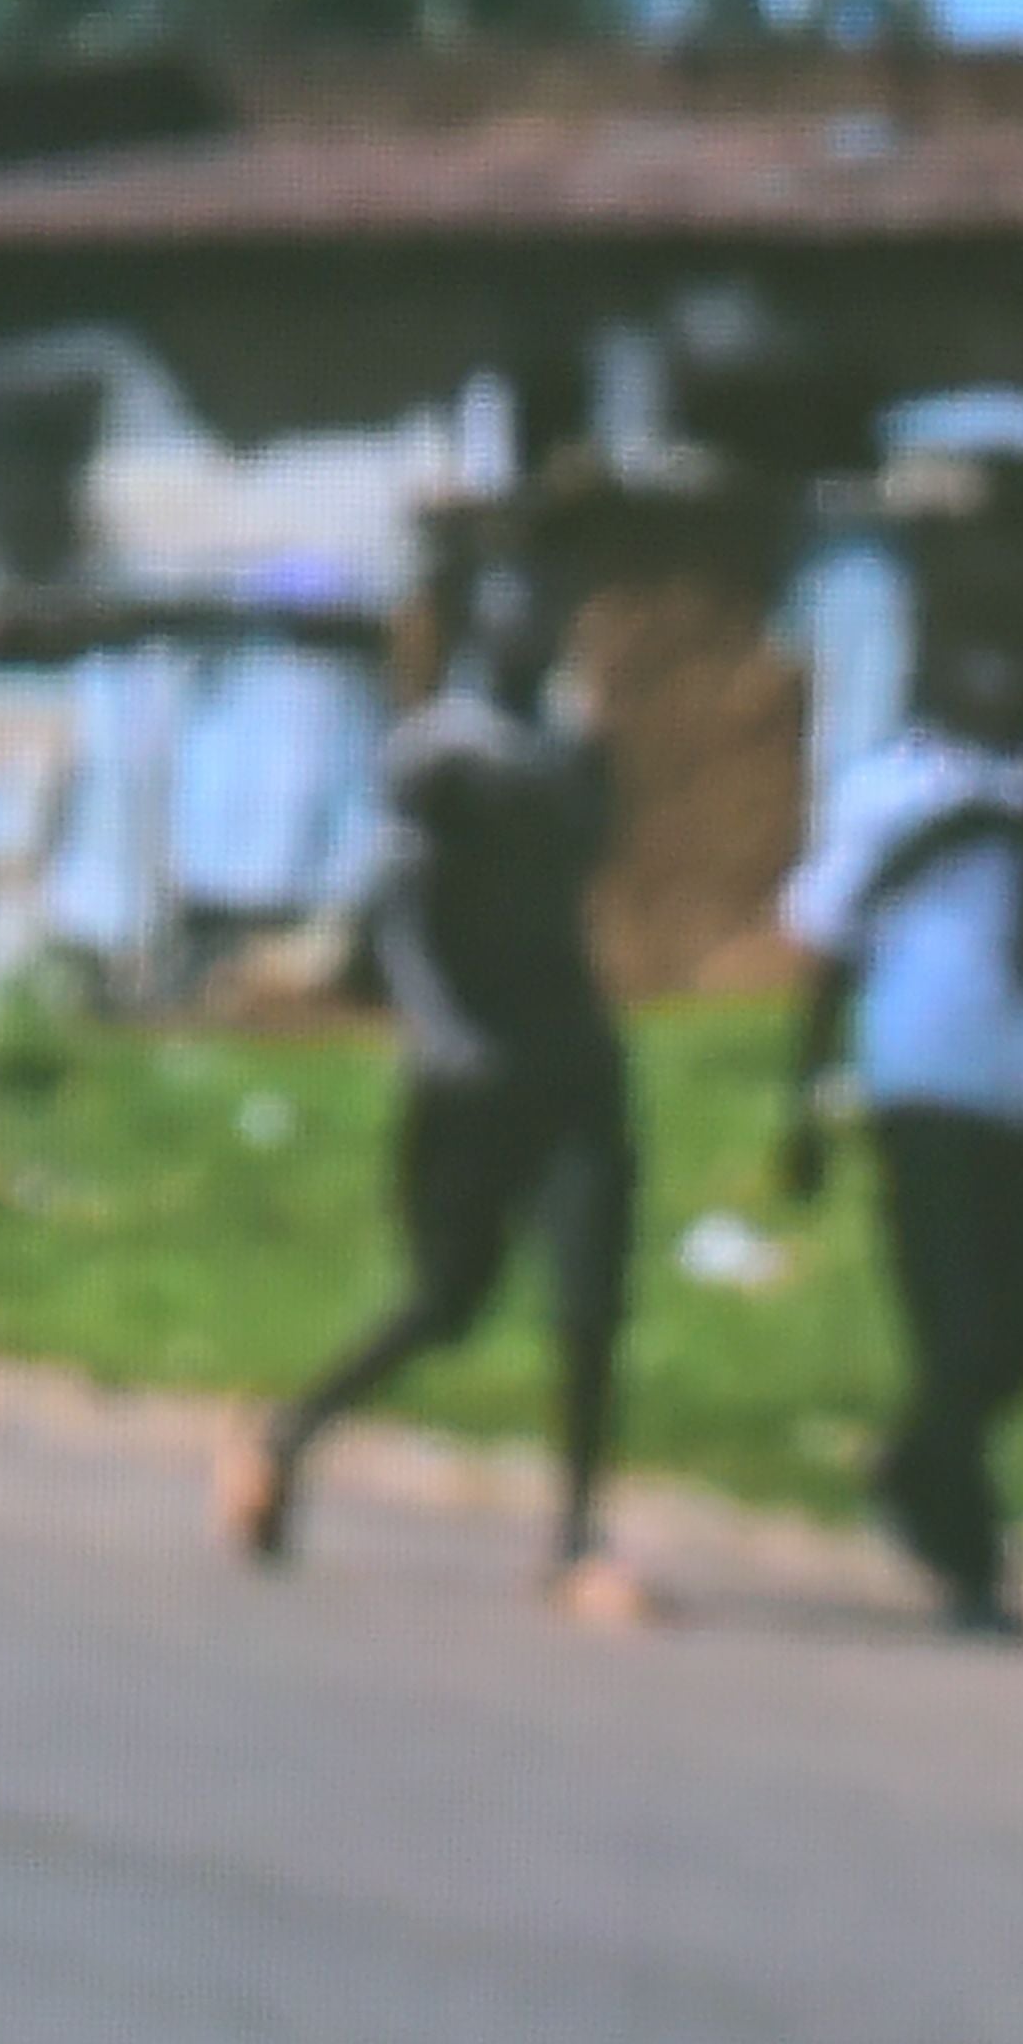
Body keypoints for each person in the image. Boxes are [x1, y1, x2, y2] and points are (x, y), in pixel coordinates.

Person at [219, 557, 648, 1623]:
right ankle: (286, 1435)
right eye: (516, 630)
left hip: (569, 1053)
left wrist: (590, 759)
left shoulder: (556, 749)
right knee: (447, 1302)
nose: (533, 647)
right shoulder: (439, 754)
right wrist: (436, 1025)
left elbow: (590, 855)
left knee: (590, 1298)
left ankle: (576, 1537)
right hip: (468, 1067)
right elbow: (408, 885)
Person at [776, 615, 1023, 1637]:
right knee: (957, 1323)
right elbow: (829, 939)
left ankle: (909, 1465)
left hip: (1021, 1087)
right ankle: (967, 1556)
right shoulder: (890, 791)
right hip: (919, 1079)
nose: (1002, 693)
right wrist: (805, 1099)